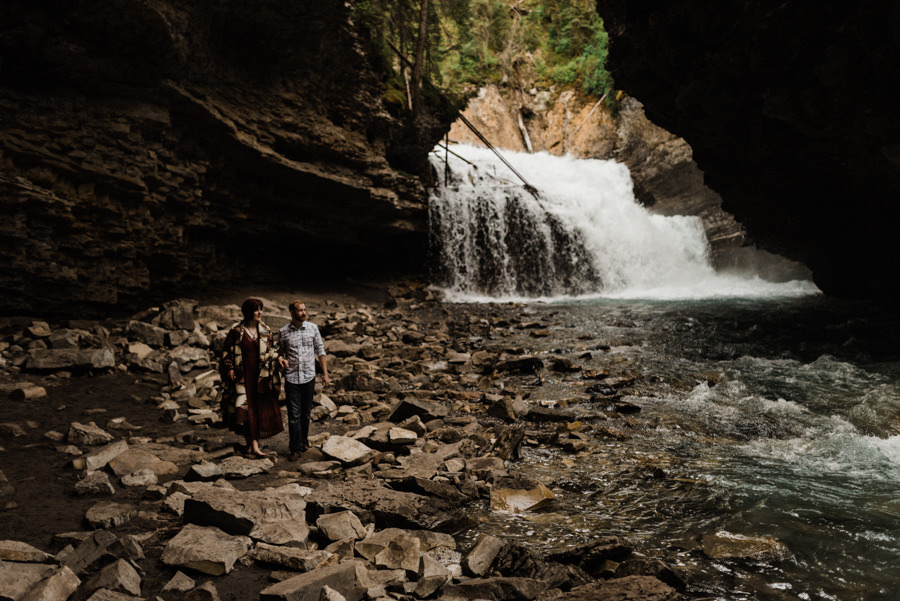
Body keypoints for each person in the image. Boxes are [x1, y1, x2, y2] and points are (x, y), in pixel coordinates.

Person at [221, 297, 283, 457]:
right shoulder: (236, 331)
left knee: (258, 408)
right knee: (244, 409)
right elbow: (226, 352)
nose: (260, 312)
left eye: (261, 309)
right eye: (256, 309)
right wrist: (229, 369)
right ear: (249, 312)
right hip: (243, 377)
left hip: (261, 376)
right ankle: (252, 445)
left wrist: (279, 358)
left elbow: (272, 351)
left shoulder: (265, 330)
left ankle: (253, 445)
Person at [278, 300, 330, 461]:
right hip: (292, 378)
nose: (304, 313)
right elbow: (279, 353)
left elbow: (320, 352)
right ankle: (294, 448)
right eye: (300, 310)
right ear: (292, 313)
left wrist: (325, 374)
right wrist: (280, 359)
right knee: (294, 416)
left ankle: (304, 442)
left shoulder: (313, 328)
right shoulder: (284, 332)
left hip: (309, 376)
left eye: (304, 310)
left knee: (306, 414)